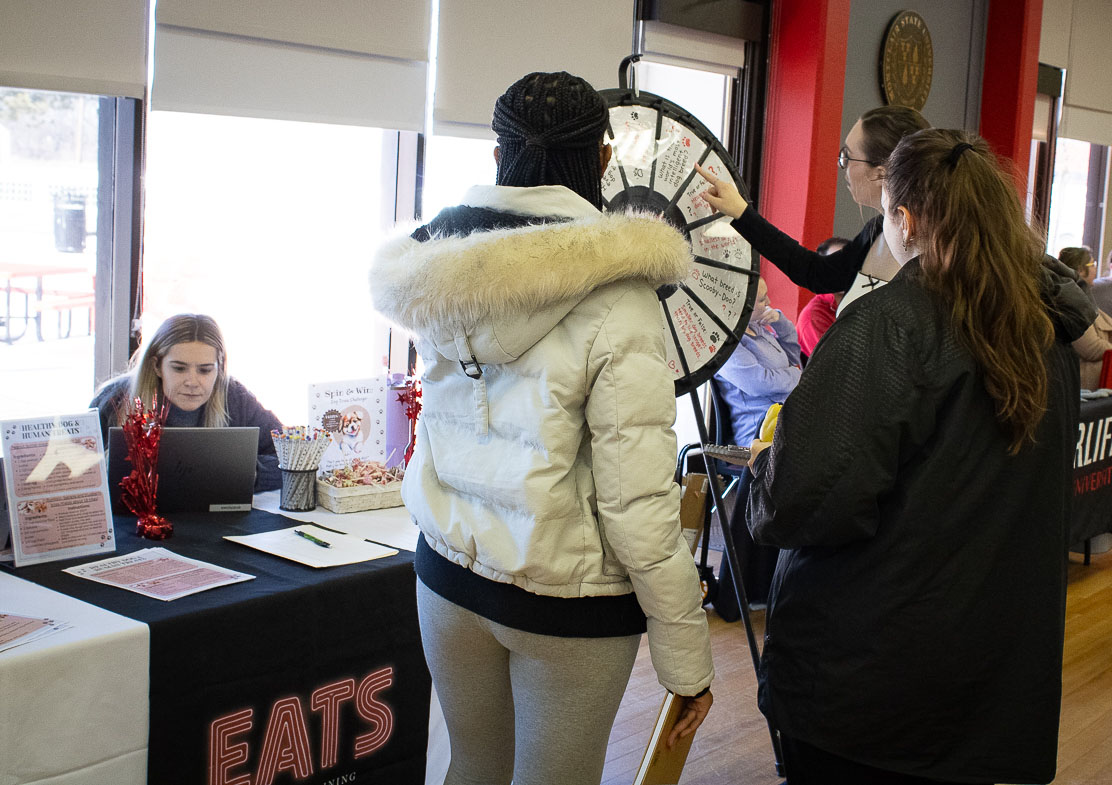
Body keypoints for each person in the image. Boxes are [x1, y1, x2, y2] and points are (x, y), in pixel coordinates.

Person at [370, 71, 713, 785]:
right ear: (603, 160)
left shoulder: (437, 268)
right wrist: (686, 657)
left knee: (471, 767)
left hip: (445, 578)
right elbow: (639, 504)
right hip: (564, 601)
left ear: (499, 156)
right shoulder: (622, 297)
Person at [744, 129, 1090, 784]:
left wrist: (765, 470)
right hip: (984, 681)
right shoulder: (1044, 331)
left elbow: (807, 496)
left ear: (901, 217)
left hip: (868, 684)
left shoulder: (889, 324)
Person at [697, 105, 929, 314]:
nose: (843, 167)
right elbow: (815, 272)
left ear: (880, 173)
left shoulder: (932, 253)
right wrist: (742, 213)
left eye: (847, 157)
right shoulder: (876, 230)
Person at [90, 313, 282, 491]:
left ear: (219, 368)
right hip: (131, 521)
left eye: (205, 370)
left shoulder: (235, 398)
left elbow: (293, 457)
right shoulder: (113, 399)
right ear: (156, 366)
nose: (192, 382)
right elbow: (73, 472)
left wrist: (247, 473)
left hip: (215, 521)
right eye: (179, 369)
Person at [710, 276, 800, 620]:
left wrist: (782, 322)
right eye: (762, 300)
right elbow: (760, 383)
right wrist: (794, 379)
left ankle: (784, 578)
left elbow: (796, 359)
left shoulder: (763, 333)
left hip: (781, 419)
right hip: (754, 429)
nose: (768, 305)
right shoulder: (727, 345)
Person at [1059, 246, 1112, 389]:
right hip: (1085, 383)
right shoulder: (1069, 301)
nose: (1096, 268)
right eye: (1092, 264)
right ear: (1080, 270)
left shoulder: (1082, 298)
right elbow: (1091, 348)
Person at [795, 236, 851, 361]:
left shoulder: (864, 299)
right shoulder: (813, 316)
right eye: (836, 265)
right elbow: (836, 365)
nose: (846, 271)